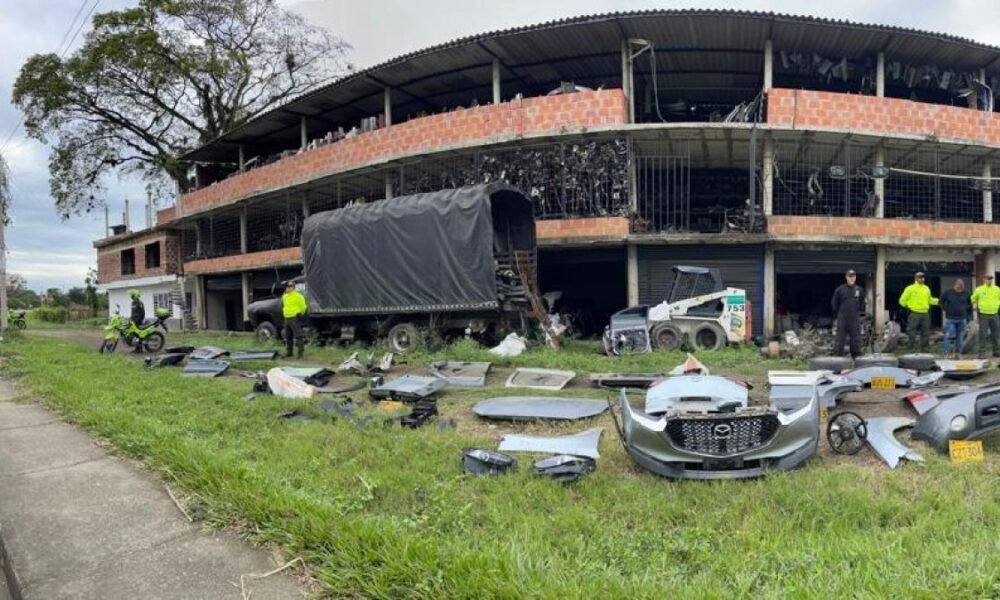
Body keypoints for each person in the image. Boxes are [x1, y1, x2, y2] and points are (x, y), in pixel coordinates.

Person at [898, 272, 938, 353]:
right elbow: (902, 300)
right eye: (920, 277)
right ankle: (911, 348)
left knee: (926, 331)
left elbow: (930, 300)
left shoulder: (926, 288)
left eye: (923, 277)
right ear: (915, 278)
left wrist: (939, 301)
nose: (922, 278)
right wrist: (908, 307)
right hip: (914, 313)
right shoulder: (910, 288)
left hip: (925, 313)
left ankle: (925, 349)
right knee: (911, 331)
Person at [830, 269, 864, 358]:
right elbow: (834, 304)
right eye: (850, 276)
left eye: (853, 276)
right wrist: (839, 314)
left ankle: (856, 359)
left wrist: (857, 312)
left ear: (855, 277)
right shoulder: (840, 290)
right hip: (843, 318)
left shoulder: (859, 290)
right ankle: (837, 361)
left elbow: (862, 303)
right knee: (840, 339)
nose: (852, 278)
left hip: (854, 318)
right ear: (846, 277)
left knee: (856, 339)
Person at [939, 279, 971, 358]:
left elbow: (969, 303)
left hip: (962, 319)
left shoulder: (966, 293)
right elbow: (940, 302)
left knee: (960, 337)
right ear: (955, 285)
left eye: (961, 288)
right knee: (948, 335)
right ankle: (945, 354)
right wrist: (946, 309)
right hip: (950, 318)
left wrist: (964, 309)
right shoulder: (948, 292)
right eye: (958, 288)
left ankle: (958, 353)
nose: (959, 290)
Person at [972, 273, 1000, 358]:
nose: (989, 280)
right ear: (984, 279)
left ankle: (996, 351)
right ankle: (982, 353)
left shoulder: (997, 289)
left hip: (995, 314)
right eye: (988, 278)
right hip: (983, 315)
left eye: (991, 279)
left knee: (996, 334)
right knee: (983, 334)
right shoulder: (979, 289)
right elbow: (973, 299)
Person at [281, 280, 308, 359]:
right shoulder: (284, 296)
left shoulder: (298, 296)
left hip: (295, 318)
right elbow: (283, 306)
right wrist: (285, 313)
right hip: (286, 318)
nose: (288, 288)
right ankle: (289, 353)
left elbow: (303, 306)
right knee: (288, 336)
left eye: (289, 286)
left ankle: (300, 354)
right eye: (287, 286)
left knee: (298, 336)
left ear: (293, 287)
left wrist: (300, 314)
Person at [128, 289, 145, 353]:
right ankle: (137, 348)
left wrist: (141, 319)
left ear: (135, 296)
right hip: (133, 321)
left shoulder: (140, 303)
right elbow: (133, 312)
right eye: (131, 296)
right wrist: (130, 318)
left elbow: (143, 312)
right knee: (135, 334)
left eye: (132, 295)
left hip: (138, 321)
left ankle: (140, 349)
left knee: (139, 335)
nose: (131, 297)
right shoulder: (133, 303)